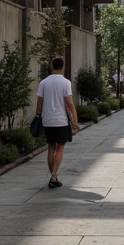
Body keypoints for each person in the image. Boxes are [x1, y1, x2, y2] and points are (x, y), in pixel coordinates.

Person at [35, 56, 78, 188]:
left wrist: (38, 116)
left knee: (50, 147)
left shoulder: (43, 83)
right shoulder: (66, 83)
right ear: (62, 67)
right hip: (61, 120)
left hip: (47, 120)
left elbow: (39, 102)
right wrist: (75, 122)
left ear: (52, 66)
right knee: (60, 147)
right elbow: (69, 103)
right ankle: (54, 175)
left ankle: (54, 176)